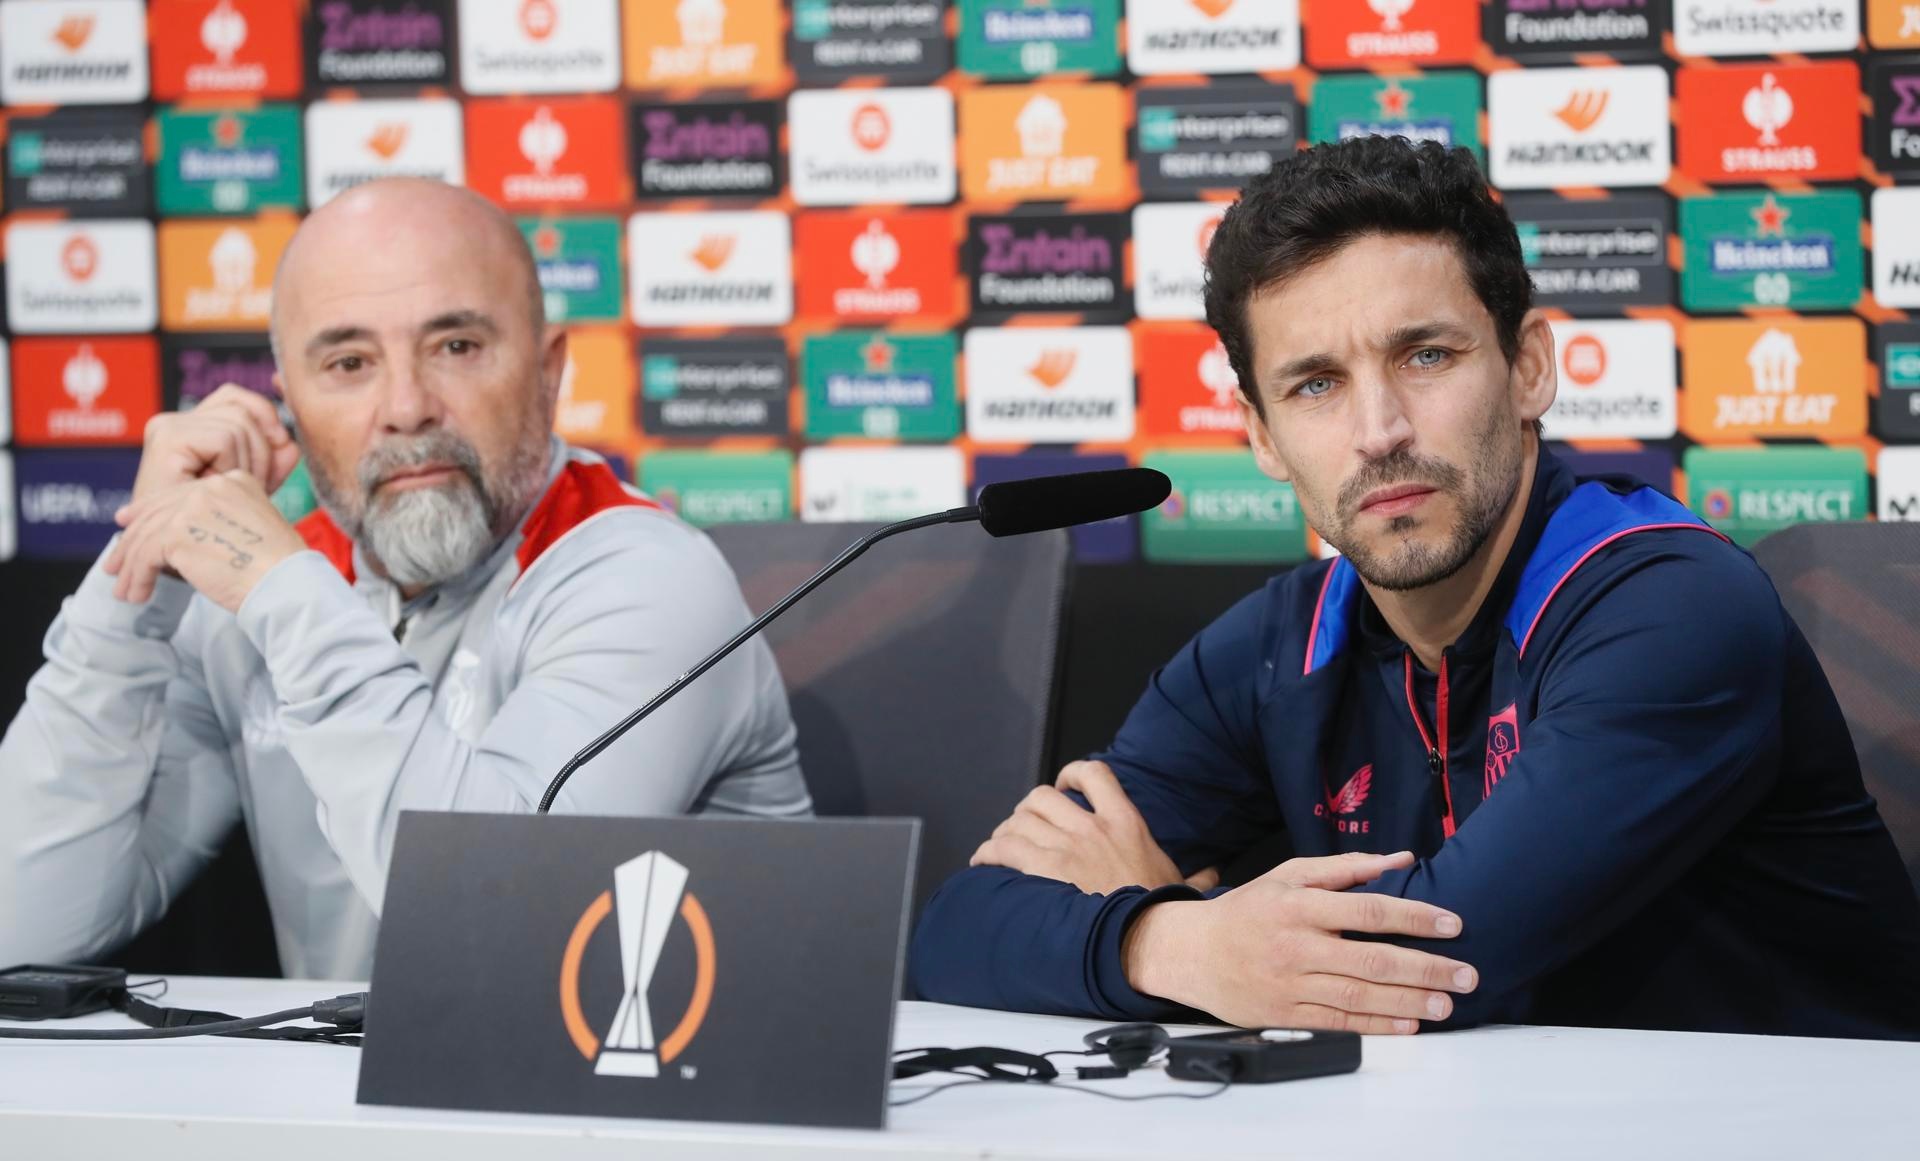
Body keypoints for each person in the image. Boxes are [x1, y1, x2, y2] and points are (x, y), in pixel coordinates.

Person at [910, 138, 1920, 1040]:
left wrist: (1150, 918)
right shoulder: (1274, 646)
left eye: (1425, 355)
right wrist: (1180, 944)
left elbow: (1438, 969)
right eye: (1316, 384)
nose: (1379, 428)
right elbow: (957, 932)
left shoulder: (1670, 602)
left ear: (1528, 369)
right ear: (1262, 436)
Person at [0, 179, 812, 979]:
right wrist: (132, 585)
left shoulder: (643, 578)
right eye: (349, 363)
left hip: (636, 1107)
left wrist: (287, 596)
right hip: (341, 1108)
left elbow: (501, 926)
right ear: (291, 407)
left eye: (456, 347)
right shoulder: (252, 605)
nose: (406, 406)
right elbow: (21, 925)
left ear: (548, 369)